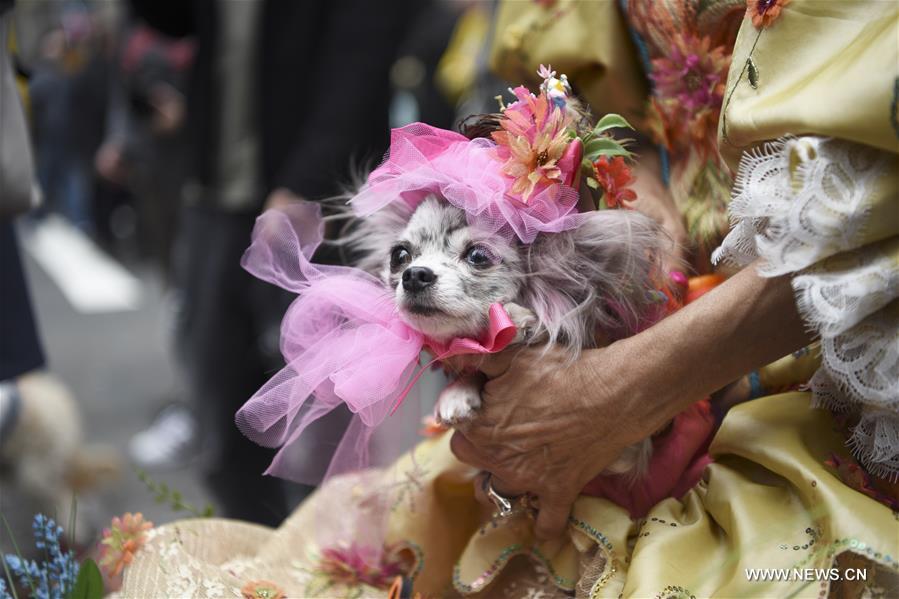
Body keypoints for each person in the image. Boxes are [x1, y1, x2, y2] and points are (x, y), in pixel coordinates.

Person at [119, 1, 898, 597]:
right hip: (626, 323)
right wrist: (631, 216)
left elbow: (870, 201)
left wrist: (617, 390)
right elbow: (601, 107)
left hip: (835, 371)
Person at [128, 0, 413, 525]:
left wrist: (303, 186)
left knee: (324, 428)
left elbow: (361, 61)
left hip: (318, 204)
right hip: (216, 198)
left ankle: (332, 571)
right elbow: (169, 18)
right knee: (223, 403)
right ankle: (256, 563)